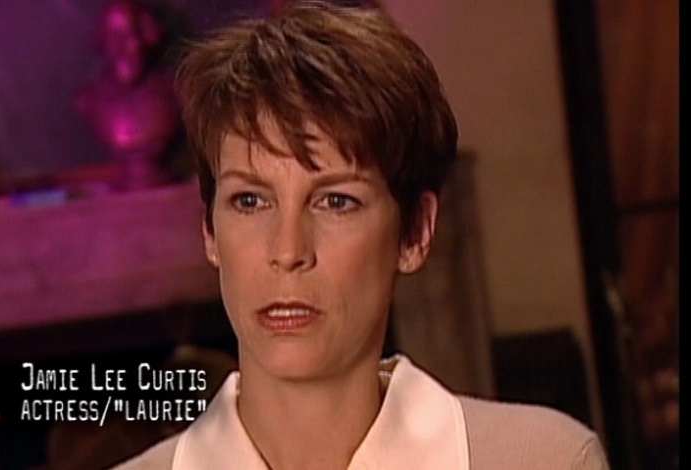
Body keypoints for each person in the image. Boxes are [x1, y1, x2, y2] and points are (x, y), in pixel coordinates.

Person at [108, 1, 611, 468]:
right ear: (210, 231)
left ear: (414, 232)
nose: (288, 251)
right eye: (250, 201)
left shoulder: (547, 460)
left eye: (335, 201)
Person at [76, 0, 182, 190]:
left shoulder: (177, 90)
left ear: (147, 37)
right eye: (114, 36)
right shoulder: (88, 100)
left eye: (129, 35)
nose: (122, 47)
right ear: (101, 41)